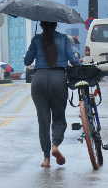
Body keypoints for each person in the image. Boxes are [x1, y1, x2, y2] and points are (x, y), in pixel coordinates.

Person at [24, 20, 78, 168]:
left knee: (43, 120)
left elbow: (27, 61)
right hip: (58, 79)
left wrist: (33, 47)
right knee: (59, 117)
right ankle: (55, 145)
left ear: (41, 25)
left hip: (39, 80)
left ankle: (46, 158)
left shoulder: (36, 39)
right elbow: (73, 60)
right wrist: (78, 60)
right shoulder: (64, 39)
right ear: (56, 25)